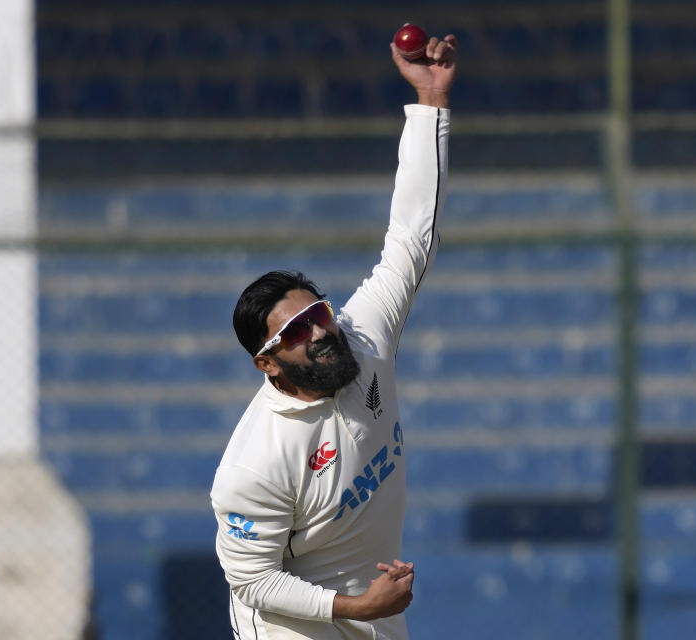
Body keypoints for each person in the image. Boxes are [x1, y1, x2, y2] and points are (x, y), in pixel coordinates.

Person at [210, 31, 457, 640]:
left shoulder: (362, 335)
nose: (320, 330)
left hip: (376, 617)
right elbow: (254, 581)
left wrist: (429, 105)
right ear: (269, 362)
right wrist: (356, 609)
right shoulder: (253, 464)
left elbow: (410, 239)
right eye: (297, 331)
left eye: (317, 311)